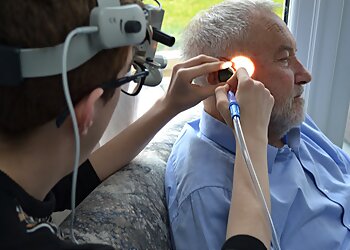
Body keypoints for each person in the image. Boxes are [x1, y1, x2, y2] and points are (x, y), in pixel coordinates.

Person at [0, 1, 233, 249]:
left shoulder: (24, 177)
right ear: (87, 111)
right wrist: (254, 140)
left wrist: (168, 106)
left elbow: (74, 183)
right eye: (128, 75)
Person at [165, 0, 350, 249]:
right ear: (226, 75)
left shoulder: (286, 119)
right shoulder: (207, 191)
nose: (305, 75)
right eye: (284, 59)